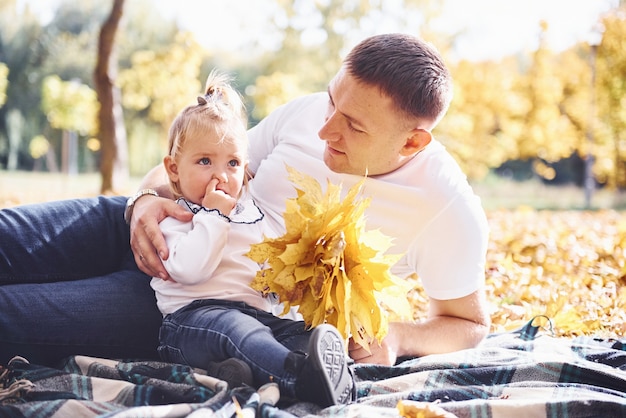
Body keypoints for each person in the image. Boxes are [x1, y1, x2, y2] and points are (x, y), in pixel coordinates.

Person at [0, 33, 490, 370]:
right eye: (331, 102)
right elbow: (199, 157)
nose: (324, 129)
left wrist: (400, 337)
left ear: (412, 143)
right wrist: (148, 197)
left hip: (189, 303)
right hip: (140, 222)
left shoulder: (447, 210)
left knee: (10, 317)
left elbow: (467, 325)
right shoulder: (306, 115)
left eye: (353, 126)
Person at [148, 71, 354, 407]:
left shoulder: (250, 213)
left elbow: (266, 276)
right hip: (192, 322)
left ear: (245, 168)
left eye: (232, 163)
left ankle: (310, 369)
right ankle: (301, 380)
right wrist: (214, 216)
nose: (220, 175)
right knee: (238, 330)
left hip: (256, 315)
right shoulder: (178, 216)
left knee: (294, 331)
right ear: (173, 169)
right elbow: (190, 270)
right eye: (204, 161)